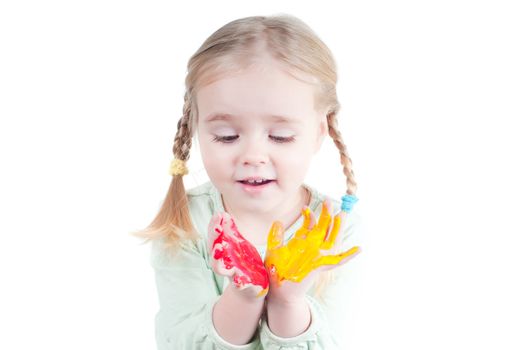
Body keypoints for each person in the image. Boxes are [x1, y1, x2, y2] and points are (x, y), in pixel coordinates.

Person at [131, 13, 364, 349]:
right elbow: (181, 342)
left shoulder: (336, 233)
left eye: (280, 136)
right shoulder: (183, 223)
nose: (253, 155)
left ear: (318, 134)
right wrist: (244, 297)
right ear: (197, 130)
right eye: (227, 136)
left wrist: (288, 302)